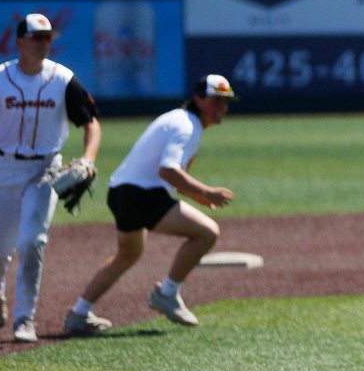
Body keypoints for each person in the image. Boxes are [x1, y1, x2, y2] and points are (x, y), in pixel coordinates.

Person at [63, 75, 237, 334]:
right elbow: (168, 171)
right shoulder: (187, 125)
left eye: (226, 102)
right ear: (199, 99)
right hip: (141, 195)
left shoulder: (180, 120)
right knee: (207, 233)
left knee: (127, 255)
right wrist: (207, 191)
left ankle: (79, 313)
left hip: (121, 193)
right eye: (217, 101)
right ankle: (167, 293)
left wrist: (198, 196)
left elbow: (174, 177)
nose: (222, 108)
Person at [0, 13, 102, 342]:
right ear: (19, 42)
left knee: (33, 241)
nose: (45, 43)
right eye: (37, 37)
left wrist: (88, 159)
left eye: (48, 37)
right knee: (1, 246)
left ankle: (24, 318)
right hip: (7, 168)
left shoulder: (62, 79)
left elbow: (90, 121)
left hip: (46, 170)